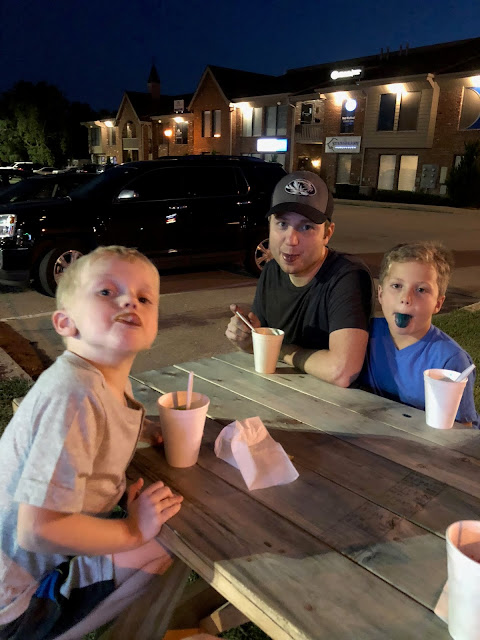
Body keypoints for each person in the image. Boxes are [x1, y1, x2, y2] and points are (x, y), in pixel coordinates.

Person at [0, 246, 184, 640]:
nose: (129, 301)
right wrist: (132, 531)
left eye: (144, 297)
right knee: (163, 543)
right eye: (106, 292)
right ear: (65, 322)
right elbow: (37, 530)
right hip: (16, 602)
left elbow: (105, 421)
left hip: (26, 567)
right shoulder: (74, 393)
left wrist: (147, 427)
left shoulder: (102, 382)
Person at [226, 171, 373, 387]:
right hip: (278, 392)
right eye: (282, 224)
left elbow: (342, 371)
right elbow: (259, 346)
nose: (291, 240)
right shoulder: (272, 270)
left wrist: (280, 349)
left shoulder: (347, 276)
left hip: (333, 402)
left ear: (327, 234)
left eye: (306, 227)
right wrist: (245, 337)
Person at [360, 241, 478, 427]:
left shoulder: (450, 360)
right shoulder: (363, 334)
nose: (406, 298)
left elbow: (461, 431)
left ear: (438, 304)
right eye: (397, 286)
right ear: (380, 294)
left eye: (421, 290)